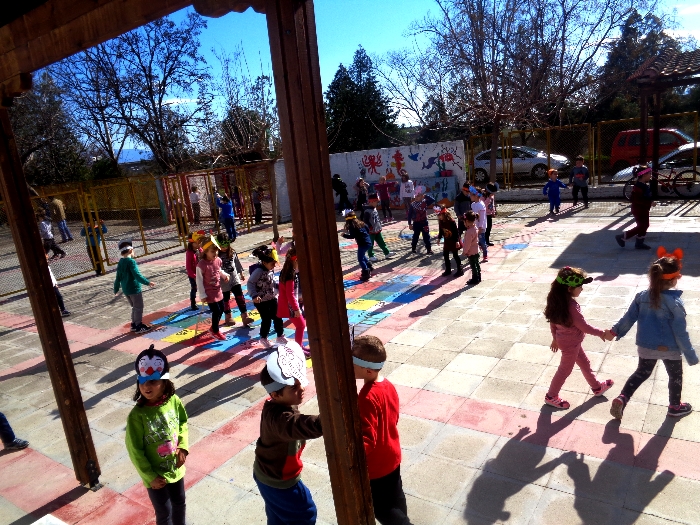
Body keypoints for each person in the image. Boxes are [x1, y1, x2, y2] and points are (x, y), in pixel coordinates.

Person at [608, 247, 698, 420]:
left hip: (646, 346)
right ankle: (674, 407)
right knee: (675, 376)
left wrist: (614, 331)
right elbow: (681, 333)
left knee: (642, 372)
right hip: (670, 349)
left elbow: (628, 318)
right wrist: (690, 355)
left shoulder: (641, 297)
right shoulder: (675, 303)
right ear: (674, 280)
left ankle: (622, 397)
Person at [254, 342, 323, 525]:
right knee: (305, 514)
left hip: (267, 474)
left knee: (278, 517)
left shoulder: (281, 403)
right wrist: (329, 420)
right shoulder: (280, 420)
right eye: (294, 387)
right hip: (279, 481)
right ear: (275, 395)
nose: (301, 389)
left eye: (300, 383)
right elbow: (300, 425)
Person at [352, 335, 412, 525]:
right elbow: (394, 417)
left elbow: (368, 440)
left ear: (367, 370)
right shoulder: (387, 385)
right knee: (396, 497)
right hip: (392, 455)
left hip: (377, 465)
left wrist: (351, 458)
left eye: (353, 364)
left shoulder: (366, 397)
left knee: (382, 508)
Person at [126, 346, 188, 525]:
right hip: (155, 476)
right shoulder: (137, 416)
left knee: (179, 503)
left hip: (175, 468)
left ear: (165, 382)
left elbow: (183, 423)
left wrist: (183, 446)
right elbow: (135, 450)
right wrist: (149, 476)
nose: (146, 386)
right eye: (142, 381)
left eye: (153, 381)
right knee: (164, 513)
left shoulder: (174, 401)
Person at [543, 266, 614, 409]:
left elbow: (553, 323)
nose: (582, 289)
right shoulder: (571, 307)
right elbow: (584, 326)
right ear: (569, 288)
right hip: (570, 344)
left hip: (569, 341)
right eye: (580, 286)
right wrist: (602, 333)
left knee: (584, 363)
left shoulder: (556, 301)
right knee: (564, 370)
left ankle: (596, 387)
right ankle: (551, 396)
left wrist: (555, 338)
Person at [114, 240, 155, 334]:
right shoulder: (131, 262)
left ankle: (133, 324)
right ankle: (138, 326)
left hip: (126, 290)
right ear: (130, 250)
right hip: (134, 289)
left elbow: (118, 277)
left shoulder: (121, 262)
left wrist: (116, 288)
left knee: (134, 307)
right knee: (139, 307)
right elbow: (137, 275)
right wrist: (147, 282)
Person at [248, 245, 285, 348]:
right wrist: (254, 295)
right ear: (264, 262)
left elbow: (271, 281)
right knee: (266, 319)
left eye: (275, 263)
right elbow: (250, 283)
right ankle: (263, 338)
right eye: (272, 263)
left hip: (272, 298)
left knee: (278, 316)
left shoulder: (270, 269)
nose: (274, 266)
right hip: (261, 301)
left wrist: (278, 287)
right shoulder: (258, 271)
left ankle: (280, 335)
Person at [195, 234, 230, 341]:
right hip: (209, 293)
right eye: (212, 252)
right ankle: (215, 330)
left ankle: (213, 328)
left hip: (218, 290)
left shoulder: (218, 260)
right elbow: (199, 281)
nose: (215, 254)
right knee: (216, 311)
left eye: (216, 251)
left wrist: (224, 275)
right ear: (205, 252)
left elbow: (218, 270)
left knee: (221, 309)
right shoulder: (201, 265)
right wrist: (202, 295)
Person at [277, 247, 309, 357]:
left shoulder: (287, 271)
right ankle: (298, 349)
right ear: (296, 261)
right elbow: (290, 294)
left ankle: (300, 346)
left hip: (289, 305)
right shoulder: (290, 274)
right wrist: (296, 309)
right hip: (290, 307)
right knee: (301, 326)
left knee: (301, 325)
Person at [217, 232, 254, 327]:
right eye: (221, 246)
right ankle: (228, 317)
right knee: (226, 300)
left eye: (226, 245)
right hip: (223, 281)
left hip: (234, 279)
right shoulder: (216, 255)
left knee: (240, 297)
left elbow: (237, 263)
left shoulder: (232, 252)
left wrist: (241, 273)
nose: (224, 248)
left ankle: (245, 316)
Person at [615, 166, 655, 250]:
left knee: (645, 225)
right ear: (644, 175)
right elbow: (637, 200)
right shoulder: (638, 187)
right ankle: (622, 237)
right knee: (642, 226)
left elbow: (645, 197)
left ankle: (639, 243)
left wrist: (649, 202)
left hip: (643, 209)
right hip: (639, 210)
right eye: (649, 174)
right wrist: (650, 203)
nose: (650, 175)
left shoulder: (643, 185)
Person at [344, 210, 373, 282]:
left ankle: (366, 273)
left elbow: (352, 236)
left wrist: (344, 235)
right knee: (362, 255)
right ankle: (369, 266)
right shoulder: (362, 223)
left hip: (362, 244)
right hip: (368, 242)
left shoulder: (352, 226)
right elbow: (367, 229)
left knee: (360, 259)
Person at [363, 196, 394, 262]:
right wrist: (370, 227)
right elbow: (365, 221)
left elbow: (377, 218)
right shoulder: (367, 211)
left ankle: (387, 253)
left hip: (377, 229)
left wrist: (379, 225)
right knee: (370, 244)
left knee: (381, 242)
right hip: (371, 231)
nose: (377, 203)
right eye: (376, 202)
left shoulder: (374, 209)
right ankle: (371, 256)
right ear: (371, 202)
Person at [436, 206, 463, 278]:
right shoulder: (441, 222)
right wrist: (439, 238)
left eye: (440, 215)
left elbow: (456, 232)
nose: (439, 217)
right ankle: (448, 269)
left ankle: (460, 270)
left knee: (455, 255)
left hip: (454, 241)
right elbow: (441, 230)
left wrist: (457, 241)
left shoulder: (451, 222)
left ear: (444, 214)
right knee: (445, 255)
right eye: (438, 216)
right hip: (447, 241)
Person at [408, 187, 435, 255]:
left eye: (418, 196)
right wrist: (410, 224)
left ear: (422, 196)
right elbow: (409, 214)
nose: (416, 197)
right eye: (416, 196)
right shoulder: (412, 204)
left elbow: (432, 200)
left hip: (424, 222)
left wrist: (425, 196)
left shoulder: (425, 202)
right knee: (415, 236)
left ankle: (429, 249)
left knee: (426, 236)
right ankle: (413, 248)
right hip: (416, 223)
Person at [46, 252, 70, 317]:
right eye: (47, 259)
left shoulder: (47, 267)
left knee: (59, 297)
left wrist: (55, 283)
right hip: (48, 285)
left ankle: (63, 310)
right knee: (52, 299)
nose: (48, 261)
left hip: (53, 284)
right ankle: (54, 312)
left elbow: (51, 276)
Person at [468, 186, 488, 263]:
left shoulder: (481, 205)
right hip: (474, 226)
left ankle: (485, 255)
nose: (470, 196)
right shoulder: (473, 204)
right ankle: (475, 254)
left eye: (471, 195)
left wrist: (480, 228)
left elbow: (482, 218)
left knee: (482, 241)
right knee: (474, 241)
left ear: (476, 196)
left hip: (481, 227)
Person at [461, 211, 481, 286]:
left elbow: (467, 244)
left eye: (464, 222)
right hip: (476, 250)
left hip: (471, 252)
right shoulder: (475, 228)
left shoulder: (469, 232)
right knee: (477, 264)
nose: (464, 224)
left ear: (467, 221)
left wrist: (465, 251)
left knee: (473, 265)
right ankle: (478, 277)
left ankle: (475, 278)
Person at [185, 232, 202, 311]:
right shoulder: (189, 253)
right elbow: (188, 267)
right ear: (191, 243)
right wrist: (194, 276)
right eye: (196, 243)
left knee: (206, 287)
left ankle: (210, 301)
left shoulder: (200, 250)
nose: (199, 244)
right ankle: (193, 302)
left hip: (201, 273)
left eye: (199, 242)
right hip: (193, 275)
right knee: (194, 288)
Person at [483, 182, 498, 246]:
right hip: (484, 215)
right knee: (484, 228)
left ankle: (487, 241)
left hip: (489, 214)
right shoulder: (483, 196)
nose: (493, 194)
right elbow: (483, 205)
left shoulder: (492, 196)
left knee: (489, 228)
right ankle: (483, 241)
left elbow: (492, 204)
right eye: (492, 192)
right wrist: (488, 199)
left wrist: (493, 212)